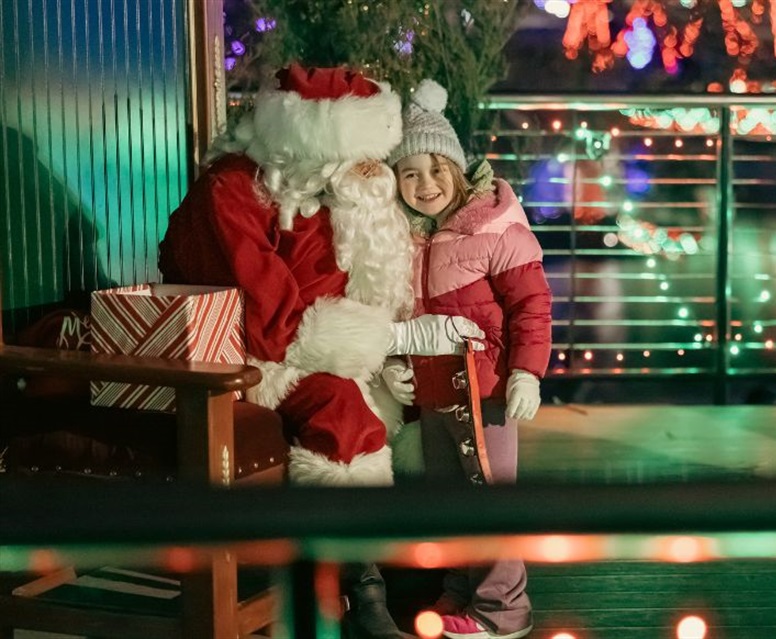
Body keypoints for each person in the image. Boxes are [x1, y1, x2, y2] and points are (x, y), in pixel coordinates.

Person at [158, 64, 483, 639]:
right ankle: (361, 593)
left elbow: (375, 282)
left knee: (424, 415)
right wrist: (383, 342)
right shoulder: (234, 189)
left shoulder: (343, 192)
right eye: (353, 158)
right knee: (342, 412)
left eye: (371, 156)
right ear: (302, 145)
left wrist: (388, 356)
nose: (368, 171)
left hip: (344, 353)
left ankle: (414, 576)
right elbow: (267, 323)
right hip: (251, 362)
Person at [380, 79, 551, 639]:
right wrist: (396, 364)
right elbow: (406, 313)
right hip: (435, 390)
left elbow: (530, 302)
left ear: (456, 171)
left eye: (435, 171)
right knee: (447, 496)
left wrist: (527, 370)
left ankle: (502, 610)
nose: (424, 184)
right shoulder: (408, 237)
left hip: (487, 389)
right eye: (410, 173)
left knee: (489, 494)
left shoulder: (492, 226)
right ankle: (459, 590)